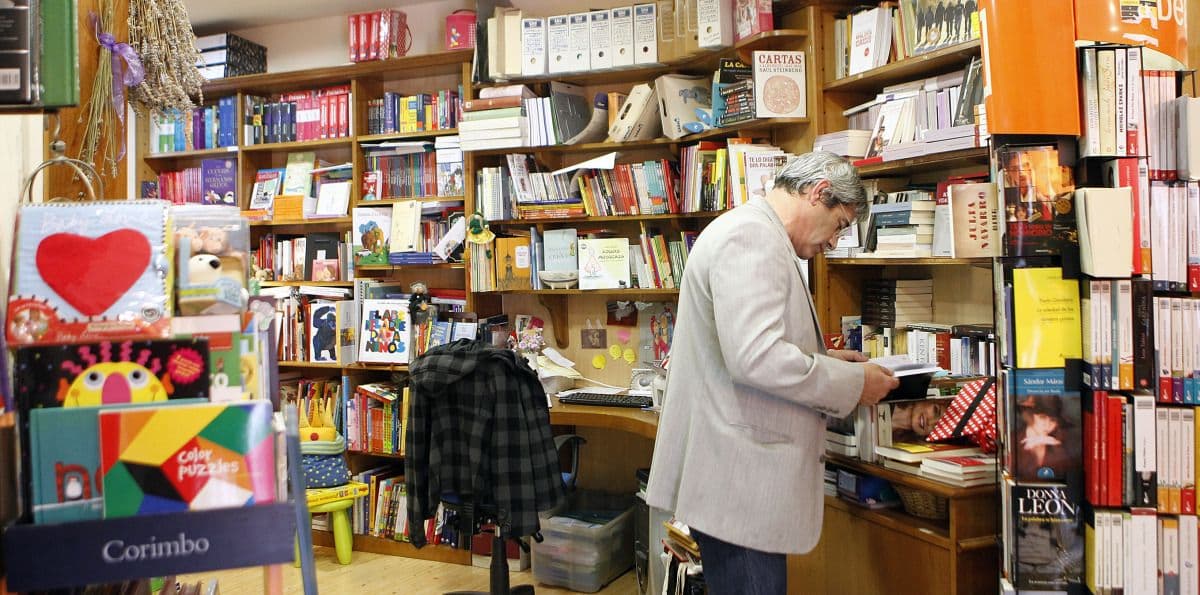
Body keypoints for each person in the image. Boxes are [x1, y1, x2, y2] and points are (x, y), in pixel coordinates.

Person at [645, 151, 900, 595]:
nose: (834, 242)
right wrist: (855, 384)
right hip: (740, 482)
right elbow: (756, 357)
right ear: (819, 193)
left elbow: (744, 345)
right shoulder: (751, 237)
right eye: (839, 225)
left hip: (737, 479)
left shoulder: (754, 232)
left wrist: (826, 360)